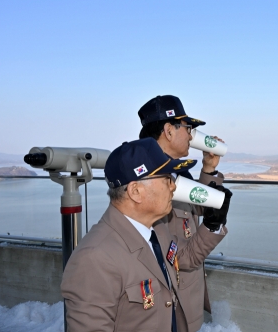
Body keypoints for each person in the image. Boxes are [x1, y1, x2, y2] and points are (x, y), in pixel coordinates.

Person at [61, 138, 231, 332]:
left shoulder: (156, 231)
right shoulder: (95, 258)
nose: (174, 187)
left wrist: (212, 224)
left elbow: (184, 257)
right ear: (135, 191)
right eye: (167, 179)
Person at [137, 94, 228, 330]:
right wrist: (213, 226)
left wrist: (208, 168)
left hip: (186, 301)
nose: (191, 135)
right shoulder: (150, 183)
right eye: (188, 128)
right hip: (172, 309)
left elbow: (196, 207)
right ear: (168, 130)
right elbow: (176, 257)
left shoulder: (178, 173)